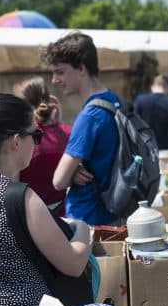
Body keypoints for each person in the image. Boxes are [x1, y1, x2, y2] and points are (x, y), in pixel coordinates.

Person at [0, 93, 91, 306]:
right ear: (16, 141)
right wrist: (82, 229)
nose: (37, 142)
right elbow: (73, 264)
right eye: (35, 135)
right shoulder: (20, 198)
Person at [41, 32, 121, 226]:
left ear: (82, 68)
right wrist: (75, 169)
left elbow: (59, 181)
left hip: (86, 219)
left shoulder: (90, 116)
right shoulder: (114, 101)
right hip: (112, 213)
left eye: (60, 72)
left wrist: (70, 172)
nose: (54, 80)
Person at [14, 77, 72, 210]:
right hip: (63, 215)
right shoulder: (69, 132)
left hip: (28, 215)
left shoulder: (19, 139)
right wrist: (58, 124)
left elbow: (12, 184)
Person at [133, 75, 168, 150]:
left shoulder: (140, 100)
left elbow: (132, 123)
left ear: (152, 86)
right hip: (166, 150)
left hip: (144, 149)